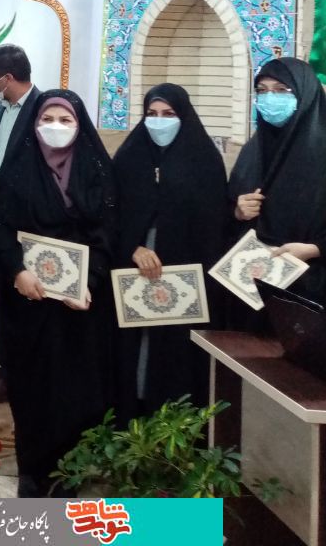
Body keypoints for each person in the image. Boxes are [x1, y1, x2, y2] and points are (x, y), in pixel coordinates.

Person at [0, 90, 114, 497]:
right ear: (34, 123)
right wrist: (18, 271)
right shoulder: (18, 167)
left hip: (78, 303)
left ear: (80, 125)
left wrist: (89, 282)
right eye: (47, 119)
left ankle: (67, 470)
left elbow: (107, 232)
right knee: (30, 384)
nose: (55, 127)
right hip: (29, 297)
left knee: (72, 389)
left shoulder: (96, 169)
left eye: (65, 120)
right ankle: (31, 468)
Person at [112, 84, 227, 421]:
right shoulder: (129, 156)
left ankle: (172, 425)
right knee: (134, 348)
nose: (158, 121)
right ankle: (130, 420)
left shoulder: (204, 159)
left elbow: (213, 223)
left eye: (168, 114)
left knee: (173, 353)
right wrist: (131, 247)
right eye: (151, 114)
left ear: (184, 115)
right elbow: (108, 214)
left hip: (183, 278)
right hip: (133, 270)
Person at [229, 57, 326, 323]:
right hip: (252, 285)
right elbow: (226, 209)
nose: (270, 98)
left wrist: (315, 249)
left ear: (305, 93)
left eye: (281, 89)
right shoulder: (254, 149)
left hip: (312, 287)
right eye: (262, 90)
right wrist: (237, 212)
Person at [0, 44, 40, 406]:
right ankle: (6, 374)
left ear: (8, 77)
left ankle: (30, 377)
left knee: (28, 304)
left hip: (31, 228)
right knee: (0, 299)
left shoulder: (45, 110)